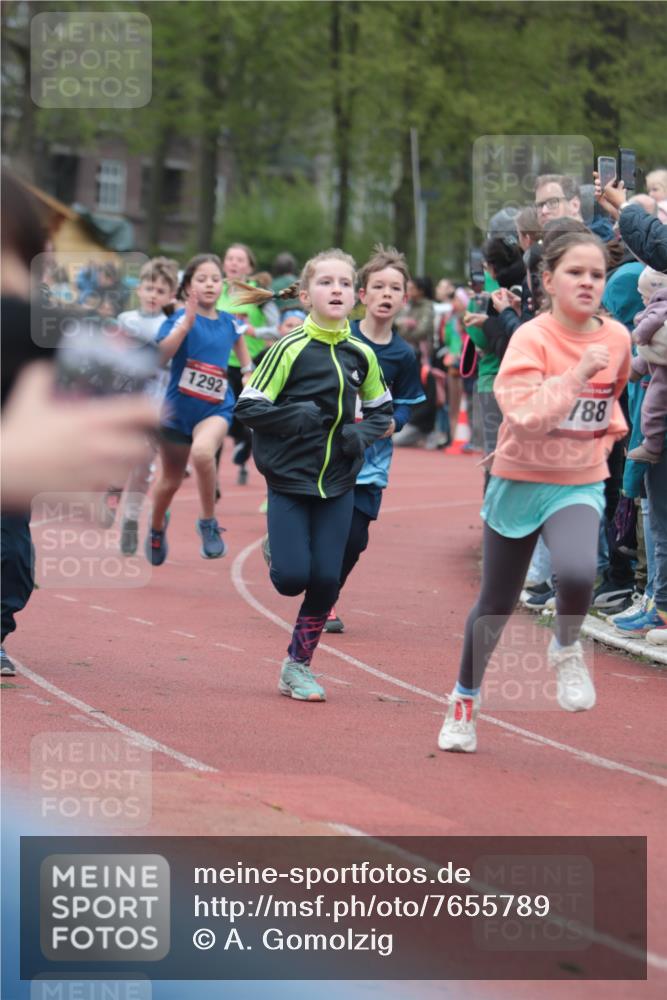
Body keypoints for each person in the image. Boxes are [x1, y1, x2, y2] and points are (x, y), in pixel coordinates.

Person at [437, 229, 631, 753]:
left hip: (579, 480)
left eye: (597, 274)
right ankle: (463, 701)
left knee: (577, 572)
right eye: (575, 273)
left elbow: (611, 400)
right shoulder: (531, 338)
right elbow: (525, 416)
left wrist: (610, 431)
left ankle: (566, 647)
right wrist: (575, 374)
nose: (588, 282)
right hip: (521, 480)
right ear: (547, 280)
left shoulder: (617, 339)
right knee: (496, 605)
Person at [235, 248, 393, 702]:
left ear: (355, 296)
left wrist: (360, 438)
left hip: (339, 482)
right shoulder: (287, 349)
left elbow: (384, 413)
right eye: (326, 282)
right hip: (288, 479)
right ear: (306, 295)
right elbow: (246, 407)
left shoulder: (361, 352)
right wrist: (291, 416)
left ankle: (297, 666)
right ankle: (276, 550)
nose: (336, 290)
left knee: (326, 579)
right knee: (290, 579)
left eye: (345, 283)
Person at [322, 245, 425, 633]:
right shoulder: (337, 337)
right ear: (361, 295)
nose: (386, 294)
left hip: (371, 462)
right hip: (326, 455)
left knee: (354, 540)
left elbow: (407, 405)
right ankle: (297, 563)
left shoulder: (403, 355)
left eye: (394, 288)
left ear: (404, 298)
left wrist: (393, 425)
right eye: (378, 287)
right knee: (324, 531)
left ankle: (327, 598)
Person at [145, 254, 253, 566]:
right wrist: (185, 325)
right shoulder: (178, 319)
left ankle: (207, 522)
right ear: (188, 285)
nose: (209, 284)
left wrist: (248, 375)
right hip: (178, 411)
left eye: (215, 279)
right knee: (170, 483)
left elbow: (245, 361)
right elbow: (159, 357)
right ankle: (155, 529)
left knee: (204, 453)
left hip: (216, 408)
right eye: (201, 279)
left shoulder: (232, 323)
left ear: (223, 285)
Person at [112, 257, 179, 553]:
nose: (153, 295)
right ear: (139, 289)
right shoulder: (126, 319)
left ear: (171, 296)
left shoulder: (172, 323)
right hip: (125, 401)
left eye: (161, 291)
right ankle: (112, 491)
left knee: (142, 467)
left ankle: (129, 520)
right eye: (149, 288)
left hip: (156, 405)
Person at [217, 243, 281, 486]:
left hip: (249, 363)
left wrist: (254, 330)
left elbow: (279, 328)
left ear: (249, 267)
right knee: (222, 412)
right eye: (230, 258)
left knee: (241, 411)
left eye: (240, 260)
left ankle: (244, 441)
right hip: (219, 361)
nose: (234, 263)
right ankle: (242, 441)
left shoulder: (259, 294)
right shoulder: (216, 288)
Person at [626, 267, 667, 464]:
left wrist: (636, 335)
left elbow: (649, 325)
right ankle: (634, 370)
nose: (642, 300)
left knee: (652, 406)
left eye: (644, 296)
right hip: (656, 361)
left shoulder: (660, 305)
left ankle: (652, 446)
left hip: (662, 372)